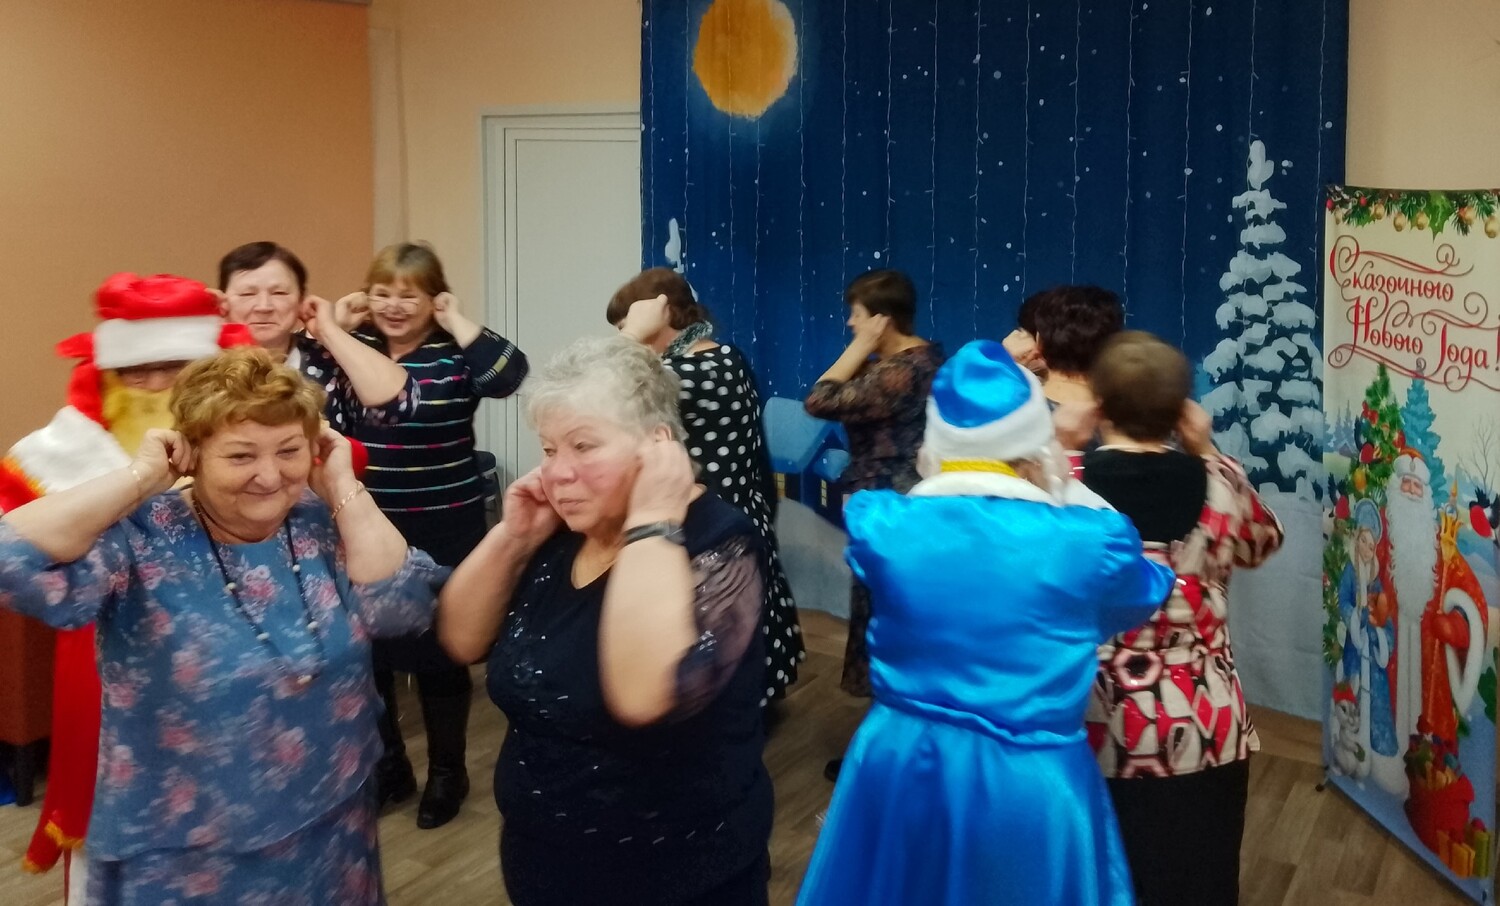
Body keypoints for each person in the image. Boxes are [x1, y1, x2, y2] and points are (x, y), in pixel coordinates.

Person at [0, 346, 443, 904]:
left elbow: (402, 608)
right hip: (188, 849)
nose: (269, 475)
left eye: (289, 450)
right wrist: (141, 478)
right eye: (240, 455)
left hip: (334, 820)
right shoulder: (141, 537)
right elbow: (10, 561)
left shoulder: (316, 518)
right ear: (192, 453)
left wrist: (340, 486)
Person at [797, 340, 1175, 906]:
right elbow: (1143, 592)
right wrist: (1065, 479)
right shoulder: (1085, 542)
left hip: (899, 757)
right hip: (1027, 779)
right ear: (1033, 441)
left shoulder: (884, 524)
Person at [438, 335, 773, 906]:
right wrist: (513, 537)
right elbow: (461, 639)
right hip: (544, 863)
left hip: (678, 879)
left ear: (658, 445)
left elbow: (643, 693)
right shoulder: (561, 532)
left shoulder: (719, 542)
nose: (557, 473)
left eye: (583, 446)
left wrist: (652, 520)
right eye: (548, 450)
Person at [0, 273, 254, 889]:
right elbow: (15, 542)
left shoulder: (251, 444)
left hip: (229, 659)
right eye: (135, 370)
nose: (154, 384)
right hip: (102, 662)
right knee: (106, 801)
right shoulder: (61, 451)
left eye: (172, 366)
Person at [1079, 331, 1285, 906]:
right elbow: (1263, 541)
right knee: (1202, 874)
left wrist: (1057, 442)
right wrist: (1208, 449)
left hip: (1097, 719)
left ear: (1098, 406)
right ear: (1180, 412)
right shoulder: (1220, 481)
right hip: (1207, 722)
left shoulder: (1064, 487)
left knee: (1103, 874)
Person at [344, 242, 528, 828]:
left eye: (410, 295)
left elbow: (509, 375)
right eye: (382, 294)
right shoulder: (356, 347)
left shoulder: (455, 354)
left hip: (446, 525)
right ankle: (390, 767)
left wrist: (456, 320)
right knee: (368, 655)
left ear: (434, 298)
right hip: (367, 524)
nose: (394, 306)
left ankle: (448, 773)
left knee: (442, 651)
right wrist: (338, 325)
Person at [609, 267, 804, 706]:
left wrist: (633, 335)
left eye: (625, 324)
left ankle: (728, 714)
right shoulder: (726, 356)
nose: (624, 334)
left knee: (713, 628)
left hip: (710, 525)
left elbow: (599, 387)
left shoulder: (681, 373)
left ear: (661, 313)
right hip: (742, 512)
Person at [803, 268, 943, 779]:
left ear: (881, 319)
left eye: (857, 315)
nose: (849, 323)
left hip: (890, 507)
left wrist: (861, 346)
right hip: (913, 505)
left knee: (884, 622)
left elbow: (820, 399)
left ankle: (887, 756)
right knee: (900, 621)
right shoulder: (930, 359)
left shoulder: (898, 372)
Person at [215, 241, 420, 435]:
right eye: (247, 294)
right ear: (223, 301)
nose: (264, 306)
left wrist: (329, 330)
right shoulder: (205, 362)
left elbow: (399, 405)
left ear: (301, 299)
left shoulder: (325, 359)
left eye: (279, 293)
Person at [1007, 285, 1124, 462]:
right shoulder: (1138, 421)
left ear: (1038, 343)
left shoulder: (1007, 414)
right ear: (1114, 348)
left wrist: (1009, 367)